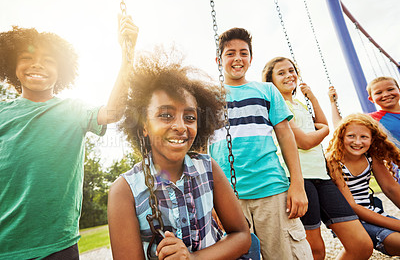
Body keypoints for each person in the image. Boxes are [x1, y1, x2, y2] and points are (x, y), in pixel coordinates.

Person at [0, 15, 138, 259]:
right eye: (27, 58)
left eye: (48, 61)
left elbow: (114, 111)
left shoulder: (74, 110)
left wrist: (128, 55)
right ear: (13, 66)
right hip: (6, 246)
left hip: (57, 246)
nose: (37, 65)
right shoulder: (2, 112)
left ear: (60, 70)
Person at [107, 47, 251, 260]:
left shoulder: (207, 168)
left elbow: (242, 236)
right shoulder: (125, 191)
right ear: (144, 125)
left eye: (190, 118)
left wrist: (193, 258)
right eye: (166, 115)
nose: (181, 126)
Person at [208, 28, 312, 259]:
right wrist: (210, 199)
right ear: (219, 59)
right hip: (229, 198)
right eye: (230, 53)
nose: (237, 59)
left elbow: (286, 137)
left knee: (286, 253)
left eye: (243, 53)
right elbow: (202, 149)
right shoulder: (208, 97)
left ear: (251, 58)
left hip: (272, 189)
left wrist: (297, 184)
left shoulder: (266, 91)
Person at [262, 57, 373, 260]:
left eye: (291, 70)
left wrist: (312, 97)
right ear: (271, 81)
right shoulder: (275, 105)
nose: (289, 75)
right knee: (315, 250)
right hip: (297, 178)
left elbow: (320, 123)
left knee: (361, 245)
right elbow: (304, 141)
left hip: (322, 177)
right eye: (281, 73)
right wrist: (325, 130)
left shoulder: (299, 104)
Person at [326, 113, 400, 256]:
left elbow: (391, 188)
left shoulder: (371, 158)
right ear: (341, 136)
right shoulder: (334, 161)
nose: (357, 142)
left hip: (372, 212)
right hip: (350, 219)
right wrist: (397, 225)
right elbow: (352, 206)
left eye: (364, 137)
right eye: (351, 136)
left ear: (372, 139)